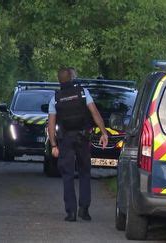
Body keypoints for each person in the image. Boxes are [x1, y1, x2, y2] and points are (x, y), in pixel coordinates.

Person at [48, 67, 108, 222]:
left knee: (67, 175)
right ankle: (85, 210)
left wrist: (54, 145)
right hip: (83, 138)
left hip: (66, 140)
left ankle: (71, 213)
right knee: (85, 173)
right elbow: (95, 113)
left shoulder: (55, 98)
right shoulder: (83, 93)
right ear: (72, 78)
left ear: (59, 80)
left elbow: (51, 124)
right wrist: (104, 133)